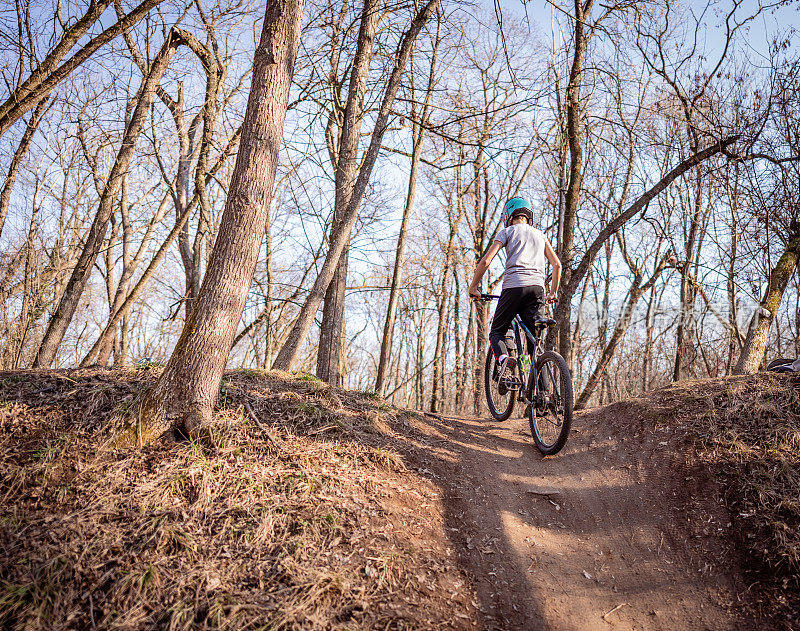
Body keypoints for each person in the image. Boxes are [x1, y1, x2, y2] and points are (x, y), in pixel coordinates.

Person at [468, 197, 562, 377]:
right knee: (534, 346)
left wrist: (473, 287)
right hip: (537, 290)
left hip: (513, 287)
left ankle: (504, 358)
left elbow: (486, 261)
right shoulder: (540, 235)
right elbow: (557, 265)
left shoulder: (507, 232)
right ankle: (542, 396)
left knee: (496, 331)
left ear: (508, 216)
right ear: (529, 216)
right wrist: (553, 292)